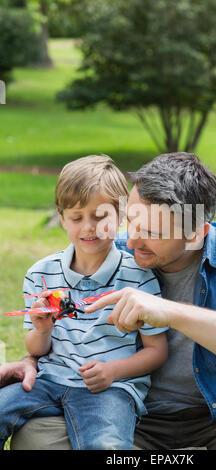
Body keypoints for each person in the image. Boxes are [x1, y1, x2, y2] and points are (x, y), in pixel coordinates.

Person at [2, 152, 216, 450]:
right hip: (132, 421)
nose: (130, 241)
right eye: (130, 221)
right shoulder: (110, 251)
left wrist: (171, 313)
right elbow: (65, 329)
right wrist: (32, 359)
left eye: (151, 232)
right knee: (35, 437)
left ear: (196, 233)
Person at [0, 155, 168, 450]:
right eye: (77, 218)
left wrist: (113, 372)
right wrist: (41, 330)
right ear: (62, 218)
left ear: (121, 215)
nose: (88, 227)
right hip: (49, 381)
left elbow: (157, 352)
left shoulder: (139, 276)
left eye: (100, 216)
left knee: (105, 446)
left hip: (111, 389)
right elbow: (36, 350)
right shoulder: (41, 273)